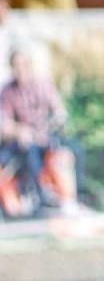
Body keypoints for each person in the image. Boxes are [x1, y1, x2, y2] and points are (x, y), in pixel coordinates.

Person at [0, 48, 78, 214]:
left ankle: (71, 198)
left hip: (48, 136)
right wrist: (20, 130)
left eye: (23, 64)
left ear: (29, 65)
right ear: (11, 67)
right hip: (23, 142)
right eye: (16, 65)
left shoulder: (43, 84)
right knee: (27, 151)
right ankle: (39, 197)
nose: (20, 68)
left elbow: (59, 111)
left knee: (74, 150)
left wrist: (53, 124)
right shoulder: (7, 91)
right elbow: (4, 124)